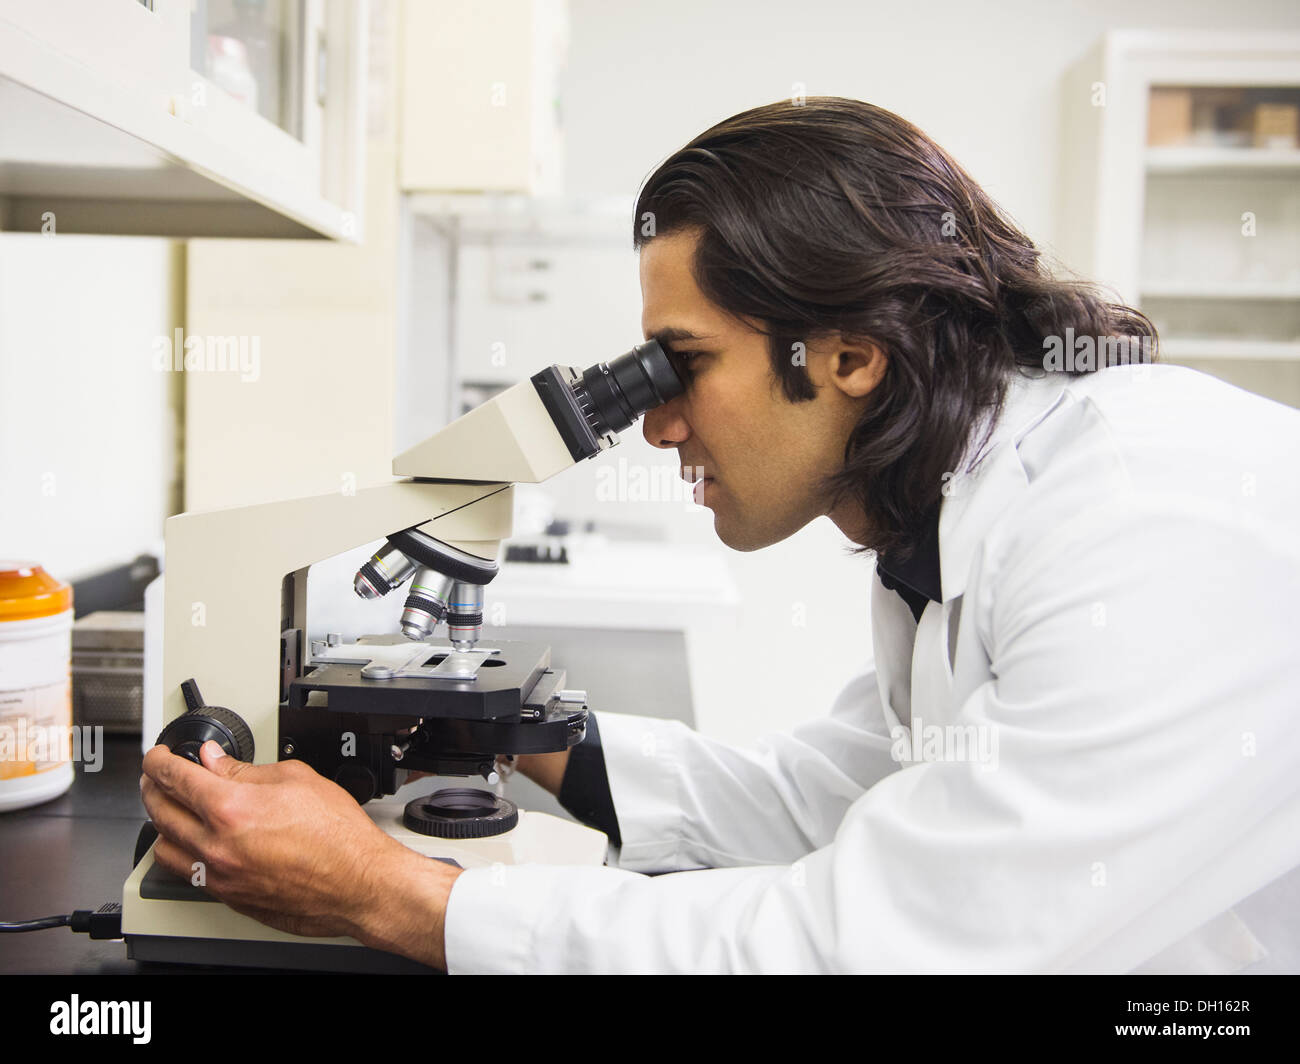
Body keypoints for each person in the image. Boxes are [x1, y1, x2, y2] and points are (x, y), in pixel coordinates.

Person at [140, 97, 1300, 974]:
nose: (652, 420)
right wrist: (516, 732)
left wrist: (389, 893)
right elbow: (821, 799)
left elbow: (864, 945)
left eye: (681, 363)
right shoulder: (952, 519)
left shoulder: (1141, 525)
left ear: (848, 353)